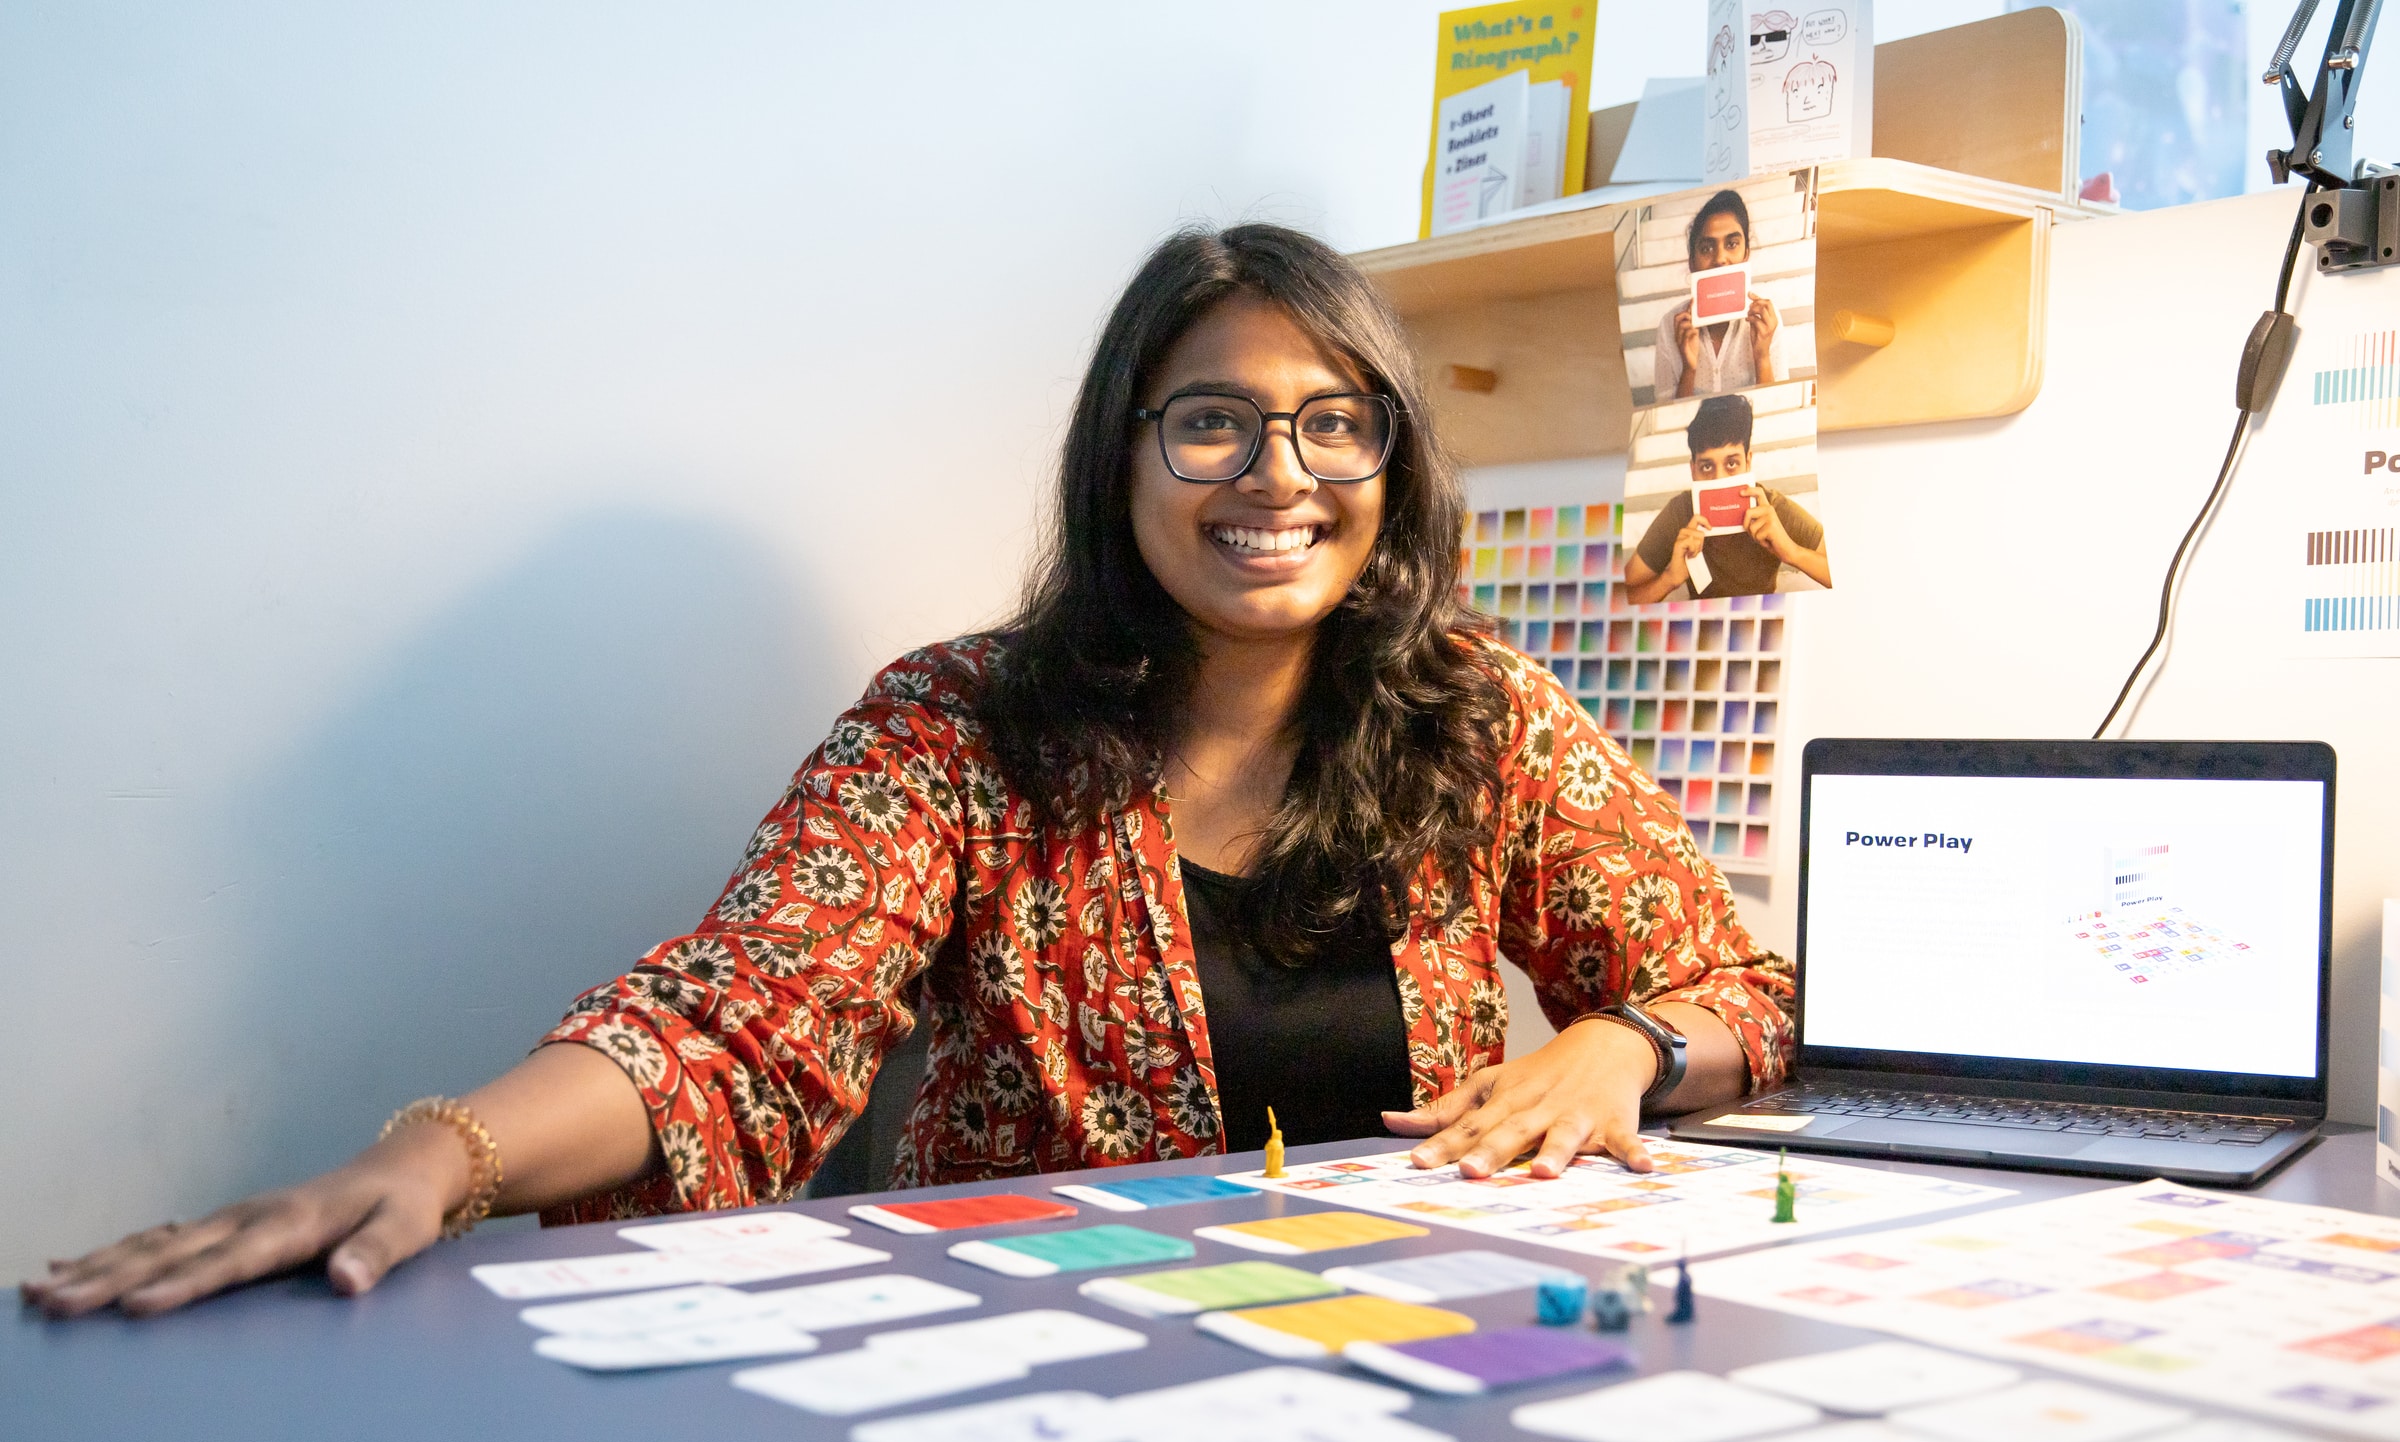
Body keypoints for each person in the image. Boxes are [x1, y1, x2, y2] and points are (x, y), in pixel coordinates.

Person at [25, 225, 1795, 1320]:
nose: (1281, 472)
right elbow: (740, 1023)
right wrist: (447, 1152)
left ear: (1395, 471)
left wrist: (1619, 1042)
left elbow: (1746, 992)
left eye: (1339, 422)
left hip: (1417, 1347)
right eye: (1213, 419)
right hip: (1041, 1359)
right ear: (1124, 458)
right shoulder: (956, 728)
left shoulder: (1474, 717)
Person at [1623, 394, 1829, 603]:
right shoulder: (1680, 511)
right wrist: (1668, 580)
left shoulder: (1772, 509)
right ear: (1693, 470)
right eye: (1706, 466)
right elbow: (1621, 597)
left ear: (1748, 462)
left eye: (1731, 464)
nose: (1719, 479)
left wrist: (1792, 553)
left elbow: (1845, 574)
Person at [1652, 188, 1781, 400]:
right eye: (1706, 248)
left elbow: (1775, 410)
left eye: (1732, 244)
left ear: (1746, 253)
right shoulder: (1669, 326)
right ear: (1692, 262)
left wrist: (1762, 357)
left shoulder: (1767, 322)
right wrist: (1689, 370)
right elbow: (1670, 417)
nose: (1720, 258)